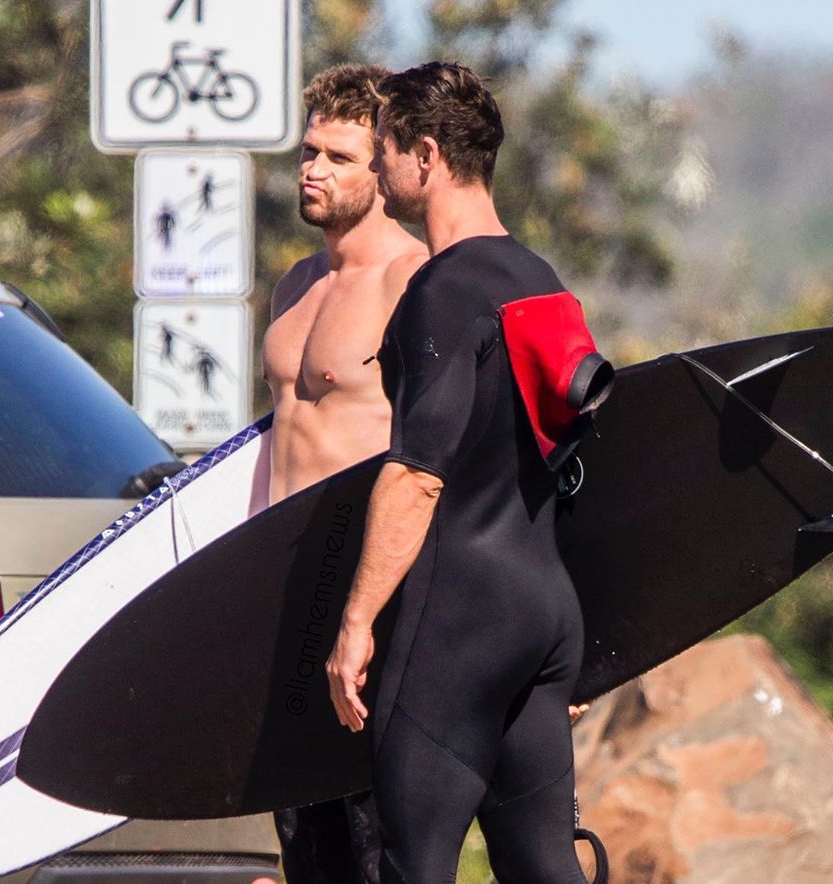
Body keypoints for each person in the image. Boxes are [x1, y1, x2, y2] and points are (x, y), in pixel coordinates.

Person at [325, 62, 607, 883]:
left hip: (458, 626)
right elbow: (569, 470)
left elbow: (417, 474)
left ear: (424, 154)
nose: (376, 171)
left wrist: (355, 623)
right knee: (545, 868)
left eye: (381, 152)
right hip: (544, 615)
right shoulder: (538, 279)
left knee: (412, 866)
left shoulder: (441, 292)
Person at [261, 63, 428, 884]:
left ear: (385, 169)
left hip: (368, 594)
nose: (312, 169)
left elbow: (449, 453)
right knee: (304, 842)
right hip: (280, 591)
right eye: (309, 150)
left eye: (337, 156)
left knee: (371, 844)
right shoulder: (296, 283)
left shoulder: (413, 281)